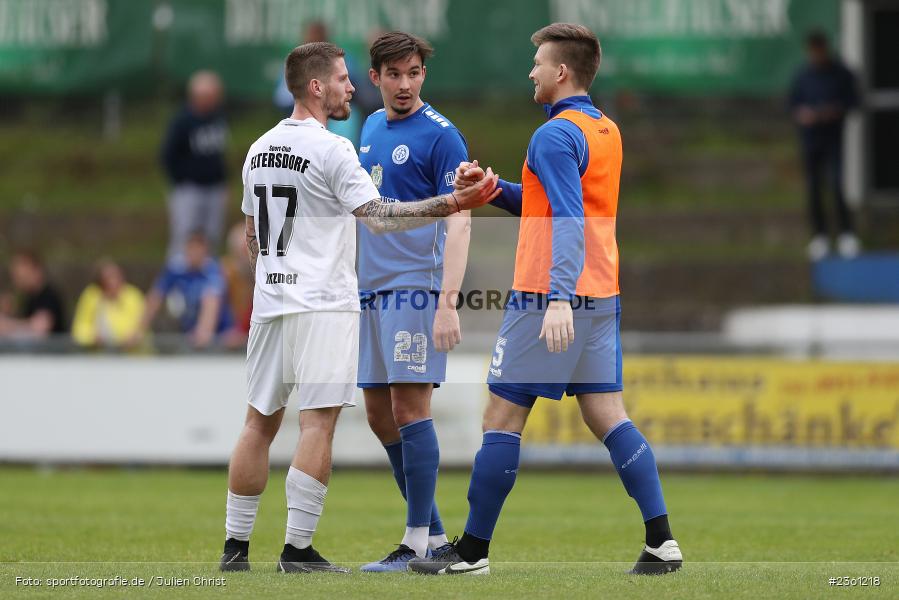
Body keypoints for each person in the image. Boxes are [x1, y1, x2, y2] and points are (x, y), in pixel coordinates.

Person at [410, 23, 682, 576]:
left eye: (537, 63)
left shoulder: (553, 137)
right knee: (609, 415)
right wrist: (493, 190)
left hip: (548, 296)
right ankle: (661, 542)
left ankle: (472, 552)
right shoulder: (604, 129)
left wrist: (557, 298)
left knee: (501, 418)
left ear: (560, 72)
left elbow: (567, 217)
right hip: (602, 292)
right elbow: (552, 202)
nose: (530, 72)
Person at [218, 40, 499, 574]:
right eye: (349, 78)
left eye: (412, 73)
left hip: (283, 300)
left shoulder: (258, 149)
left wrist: (275, 278)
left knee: (259, 423)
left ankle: (237, 548)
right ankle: (298, 550)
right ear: (319, 86)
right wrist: (453, 201)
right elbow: (378, 216)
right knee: (320, 423)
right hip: (326, 301)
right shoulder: (336, 146)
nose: (355, 87)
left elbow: (250, 237)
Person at [355, 32, 470, 572]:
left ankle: (415, 544)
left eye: (414, 73)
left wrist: (448, 301)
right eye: (394, 75)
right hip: (371, 289)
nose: (405, 85)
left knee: (409, 409)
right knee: (379, 415)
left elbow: (460, 214)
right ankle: (437, 538)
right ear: (374, 77)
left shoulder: (443, 137)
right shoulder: (370, 125)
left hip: (414, 287)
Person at [789, 30, 860, 260]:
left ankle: (846, 233)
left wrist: (833, 111)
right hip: (811, 141)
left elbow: (853, 102)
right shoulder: (802, 76)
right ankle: (819, 236)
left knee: (837, 184)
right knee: (813, 188)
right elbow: (792, 105)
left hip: (833, 138)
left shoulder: (840, 74)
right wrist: (804, 115)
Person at [161, 70, 229, 260]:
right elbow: (167, 156)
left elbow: (219, 155)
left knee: (212, 237)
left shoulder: (218, 118)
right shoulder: (182, 122)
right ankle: (178, 279)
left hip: (214, 188)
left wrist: (223, 182)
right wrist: (181, 181)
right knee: (183, 237)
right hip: (189, 189)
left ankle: (209, 281)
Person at [132, 232, 234, 349]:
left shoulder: (213, 271)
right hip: (187, 331)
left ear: (206, 252)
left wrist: (203, 331)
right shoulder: (176, 268)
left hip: (217, 333)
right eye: (192, 249)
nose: (194, 254)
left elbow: (211, 302)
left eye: (198, 250)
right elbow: (156, 296)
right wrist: (139, 330)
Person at [71, 259, 145, 349]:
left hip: (133, 358)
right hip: (100, 358)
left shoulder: (133, 296)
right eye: (108, 278)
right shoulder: (92, 296)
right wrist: (92, 337)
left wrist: (132, 337)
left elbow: (143, 328)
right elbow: (78, 331)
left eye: (116, 277)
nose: (113, 282)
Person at [0, 250, 66, 341]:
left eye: (21, 275)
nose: (17, 280)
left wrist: (7, 324)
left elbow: (40, 329)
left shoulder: (48, 296)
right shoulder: (29, 299)